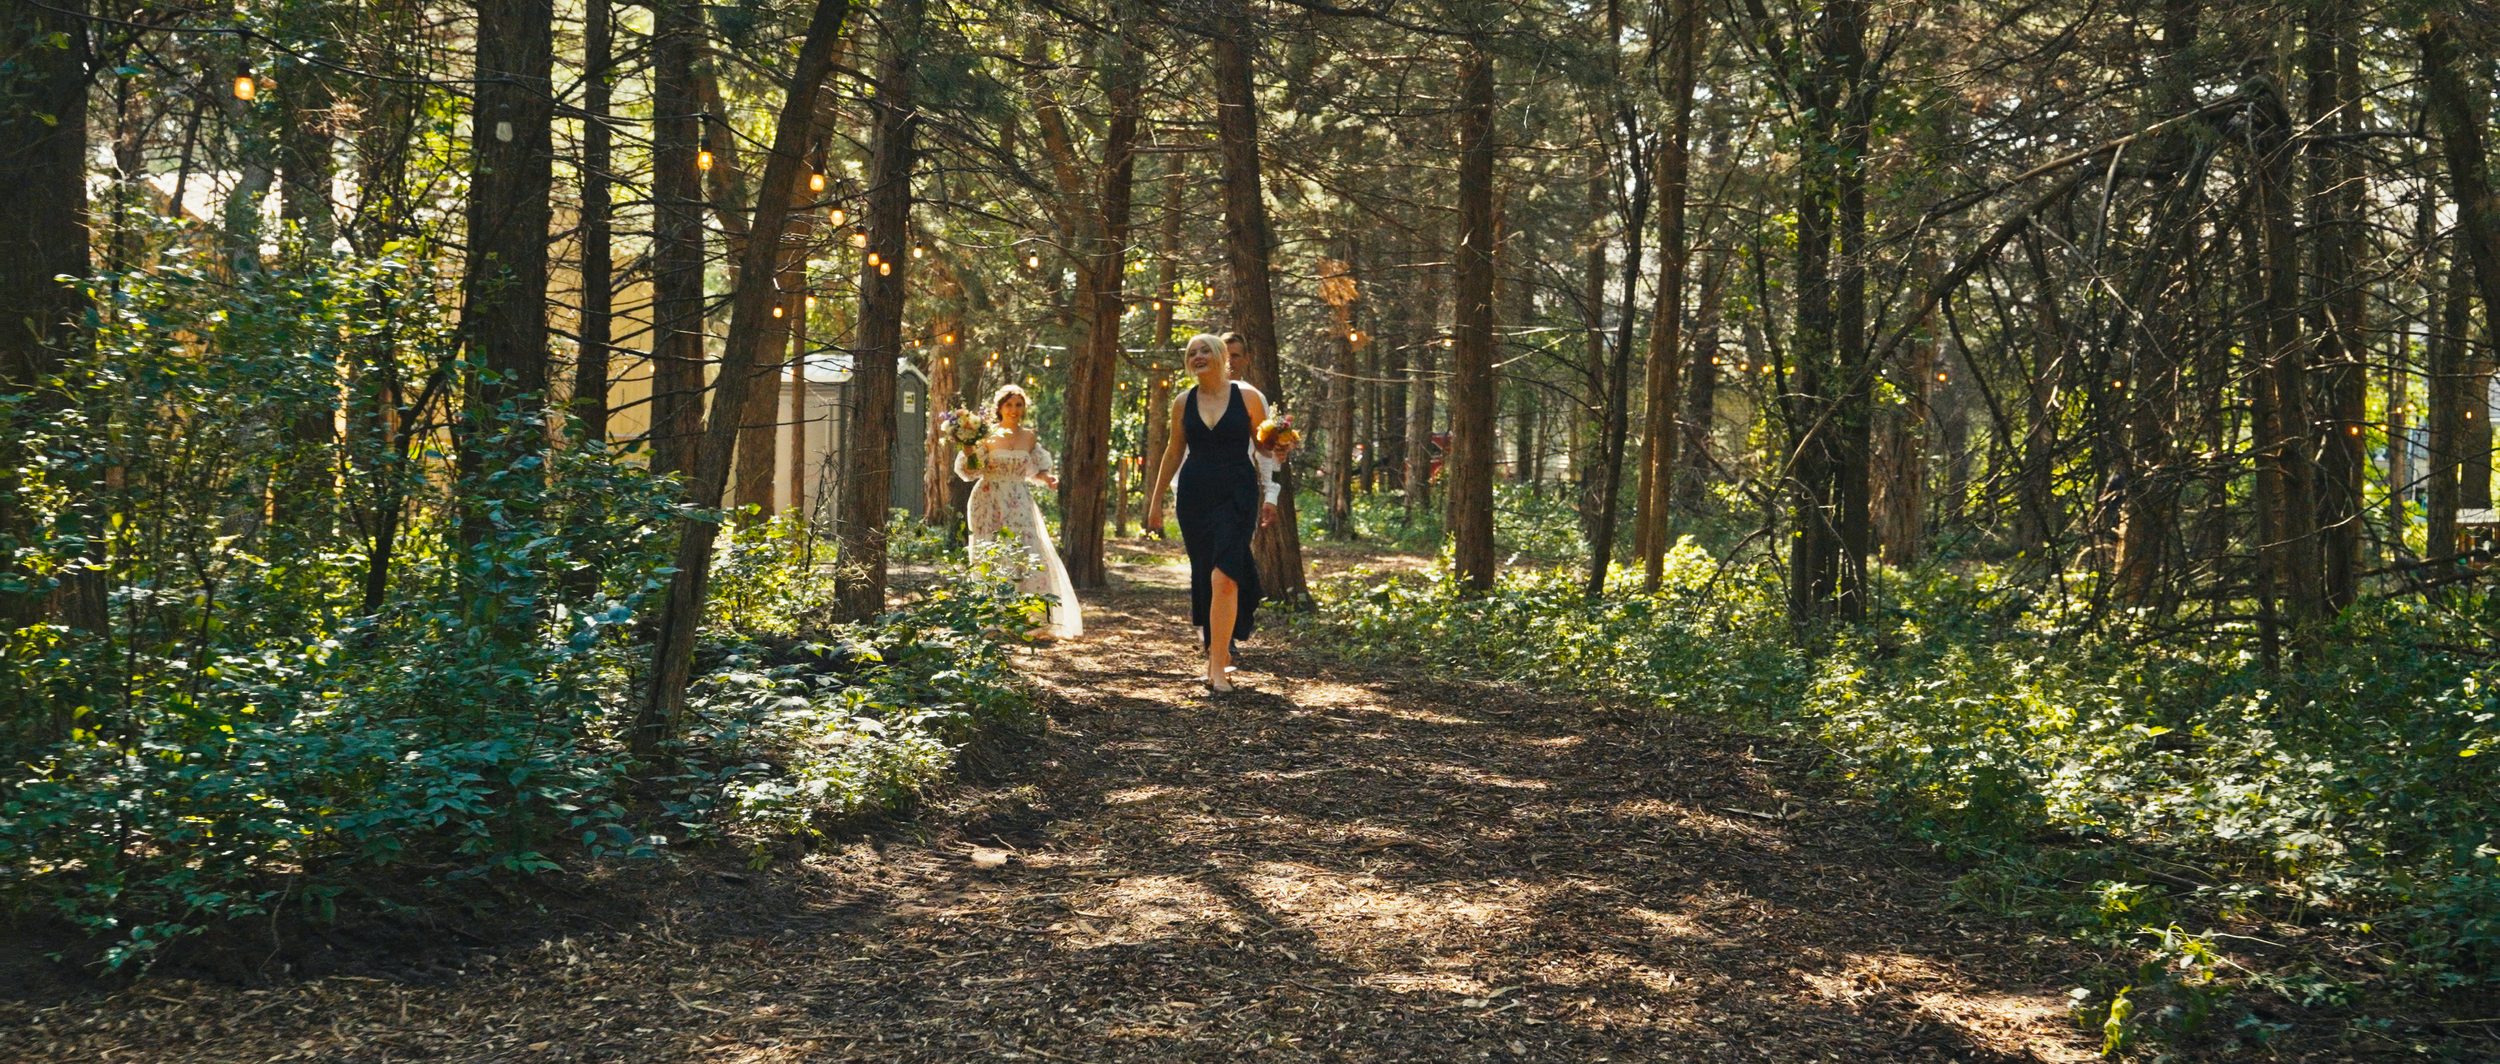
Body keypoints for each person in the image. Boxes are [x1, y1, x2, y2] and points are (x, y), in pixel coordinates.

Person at [1145, 333, 1285, 692]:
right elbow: (1174, 451)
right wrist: (1156, 502)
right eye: (1192, 352)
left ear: (1223, 356)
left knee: (1226, 576)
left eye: (1206, 350)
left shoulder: (1249, 397)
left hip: (1237, 492)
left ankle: (1218, 665)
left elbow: (1264, 447)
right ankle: (1214, 654)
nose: (1198, 356)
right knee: (1205, 574)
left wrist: (1279, 452)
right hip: (1194, 495)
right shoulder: (1182, 401)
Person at [955, 384, 1083, 639]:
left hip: (1019, 499)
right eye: (1009, 405)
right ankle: (994, 619)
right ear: (1000, 408)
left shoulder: (1029, 437)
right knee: (992, 553)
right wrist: (968, 450)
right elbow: (969, 472)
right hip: (989, 499)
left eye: (1018, 405)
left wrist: (1048, 479)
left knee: (1027, 551)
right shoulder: (987, 436)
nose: (1014, 410)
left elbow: (1036, 469)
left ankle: (1029, 619)